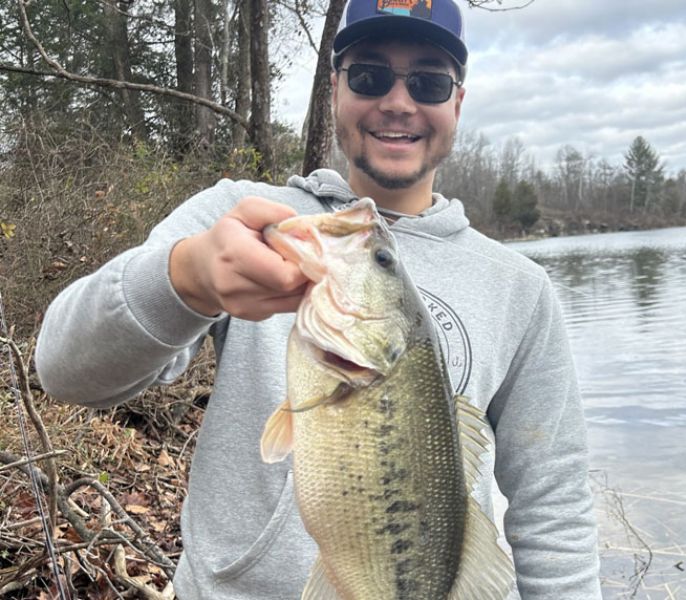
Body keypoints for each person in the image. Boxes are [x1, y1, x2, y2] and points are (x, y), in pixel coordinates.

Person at [36, 0, 602, 597]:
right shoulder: (240, 217)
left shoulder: (519, 286)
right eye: (369, 76)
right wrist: (188, 278)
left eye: (429, 82)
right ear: (334, 90)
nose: (398, 102)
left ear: (456, 102)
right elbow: (64, 370)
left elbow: (553, 502)